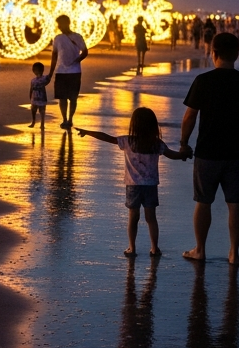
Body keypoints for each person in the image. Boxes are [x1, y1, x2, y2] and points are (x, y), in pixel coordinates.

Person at [179, 33, 239, 264]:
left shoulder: (203, 81)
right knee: (235, 203)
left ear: (213, 53)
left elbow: (189, 117)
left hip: (208, 151)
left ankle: (200, 249)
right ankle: (234, 252)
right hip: (237, 152)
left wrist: (184, 143)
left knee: (203, 201)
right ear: (237, 54)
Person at [76, 107, 188, 256]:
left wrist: (88, 132)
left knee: (133, 217)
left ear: (134, 125)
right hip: (150, 186)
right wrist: (184, 154)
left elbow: (107, 137)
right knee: (151, 218)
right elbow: (172, 155)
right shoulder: (156, 144)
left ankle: (132, 248)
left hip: (133, 186)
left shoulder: (127, 141)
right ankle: (155, 248)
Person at [49, 15, 88, 130]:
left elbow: (85, 52)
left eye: (60, 24)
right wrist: (51, 72)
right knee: (62, 97)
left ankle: (70, 119)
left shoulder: (77, 37)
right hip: (61, 71)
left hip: (74, 71)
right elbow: (54, 55)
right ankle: (65, 119)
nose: (59, 26)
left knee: (73, 97)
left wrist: (77, 60)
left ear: (67, 23)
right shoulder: (57, 38)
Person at [28, 62, 52, 129]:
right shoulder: (33, 80)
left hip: (41, 97)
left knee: (42, 111)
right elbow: (31, 89)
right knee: (34, 110)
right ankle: (33, 122)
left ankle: (42, 124)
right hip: (35, 98)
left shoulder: (44, 78)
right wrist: (30, 96)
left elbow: (49, 76)